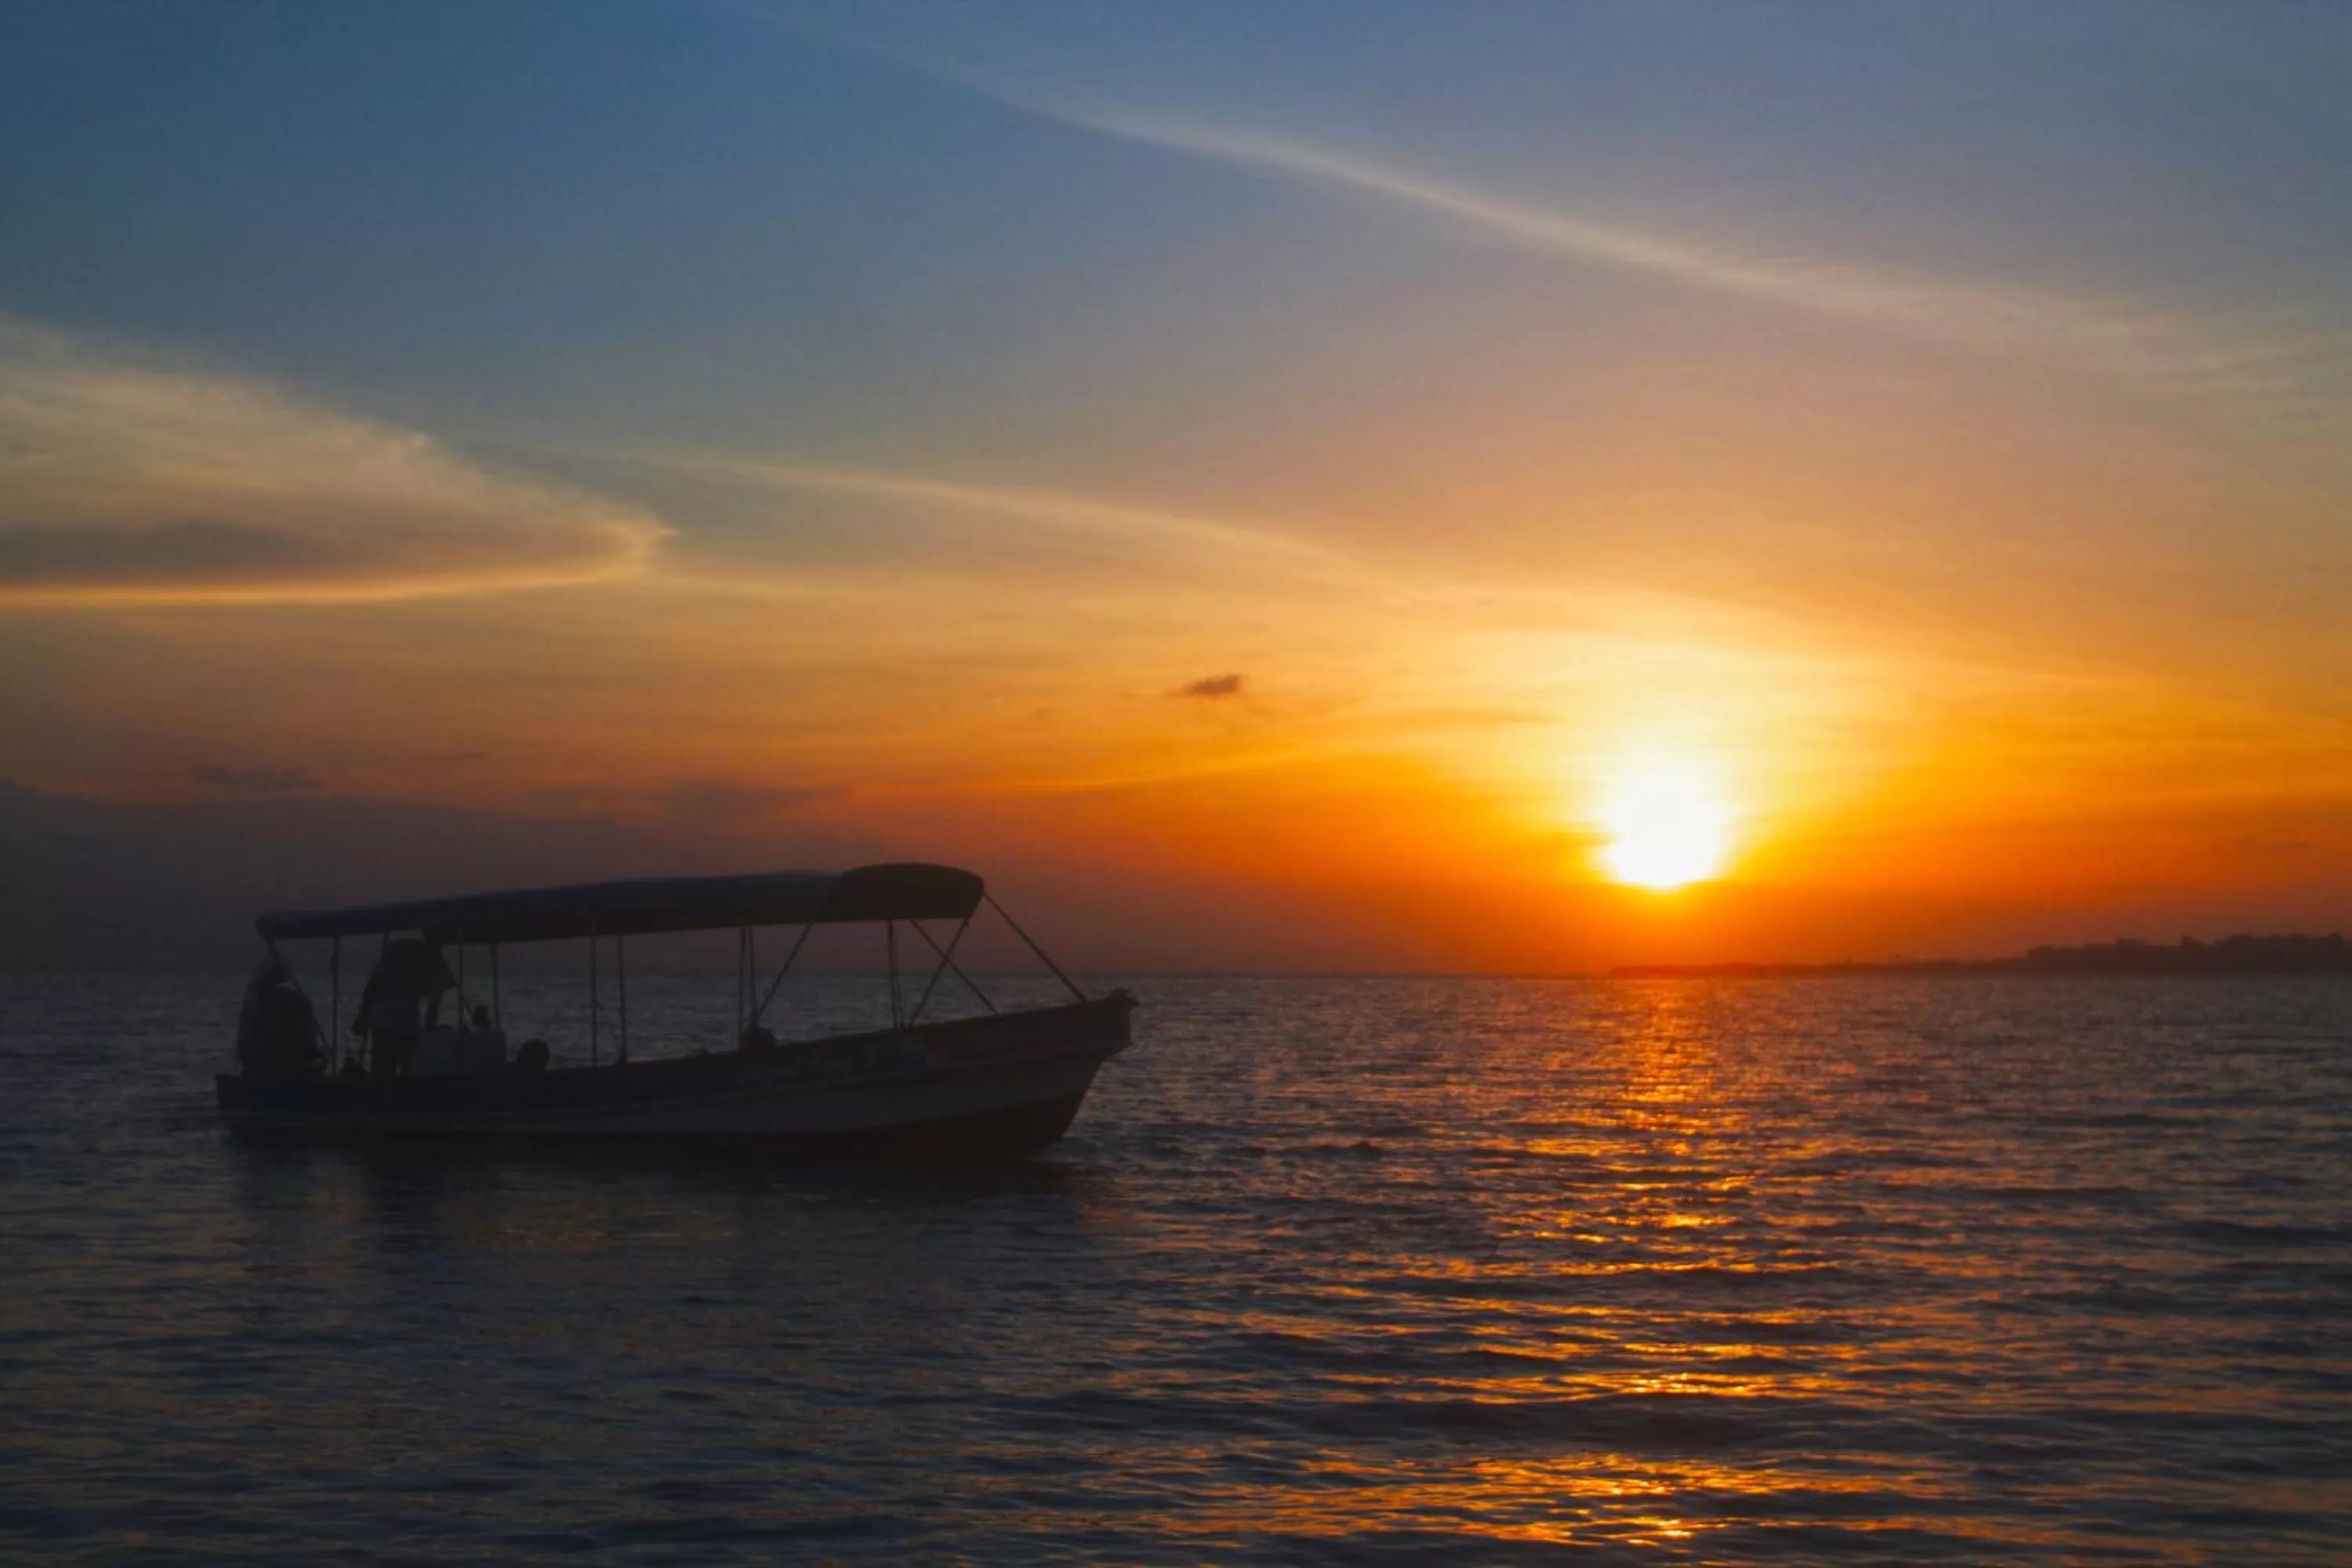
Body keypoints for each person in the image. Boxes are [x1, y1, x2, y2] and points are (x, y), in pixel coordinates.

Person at [352, 938, 456, 1082]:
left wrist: (363, 1015)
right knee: (408, 1074)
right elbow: (434, 1004)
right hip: (402, 1028)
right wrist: (429, 1031)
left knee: (383, 1076)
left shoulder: (396, 947)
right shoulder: (434, 960)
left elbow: (373, 985)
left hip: (385, 1024)